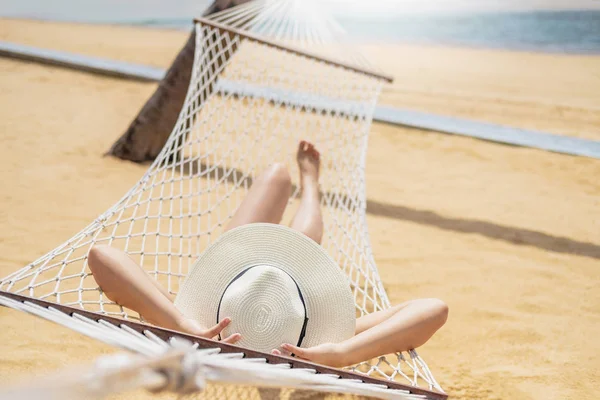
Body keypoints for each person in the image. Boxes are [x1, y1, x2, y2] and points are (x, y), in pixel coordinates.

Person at [88, 141, 448, 368]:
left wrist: (184, 325)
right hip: (276, 298)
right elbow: (434, 309)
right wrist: (343, 353)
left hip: (237, 283)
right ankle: (310, 185)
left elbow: (101, 257)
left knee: (276, 177)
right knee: (302, 240)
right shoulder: (325, 340)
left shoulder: (194, 322)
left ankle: (300, 183)